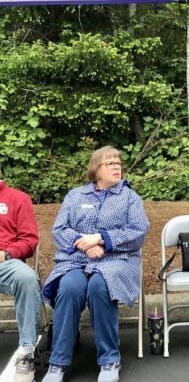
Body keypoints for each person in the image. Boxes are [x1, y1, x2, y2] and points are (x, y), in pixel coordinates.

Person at [41, 146, 150, 382]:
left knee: (99, 286)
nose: (117, 166)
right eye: (110, 163)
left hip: (117, 259)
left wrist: (103, 239)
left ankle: (109, 359)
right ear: (95, 169)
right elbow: (59, 230)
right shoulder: (75, 196)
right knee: (69, 287)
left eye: (118, 162)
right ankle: (58, 362)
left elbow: (138, 232)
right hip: (76, 259)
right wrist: (86, 244)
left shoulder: (130, 198)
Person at [0, 172, 41, 382]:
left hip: (5, 263)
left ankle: (26, 353)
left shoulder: (18, 198)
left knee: (27, 278)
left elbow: (29, 241)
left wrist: (6, 254)